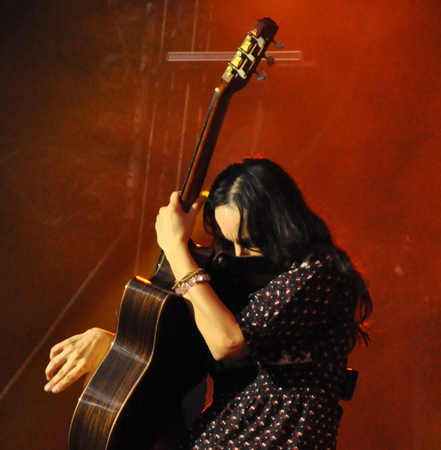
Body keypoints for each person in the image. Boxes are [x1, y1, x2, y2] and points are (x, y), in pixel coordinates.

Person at [44, 157, 372, 449]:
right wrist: (114, 347)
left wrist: (176, 249)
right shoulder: (232, 282)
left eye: (250, 243)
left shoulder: (318, 272)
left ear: (280, 225)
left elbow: (227, 343)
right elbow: (178, 360)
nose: (239, 257)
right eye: (229, 244)